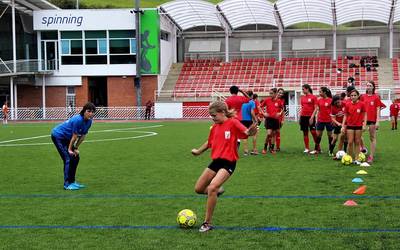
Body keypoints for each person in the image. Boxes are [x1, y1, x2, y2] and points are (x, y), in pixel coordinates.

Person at [191, 101, 257, 232]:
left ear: (222, 112)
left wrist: (250, 131)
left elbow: (245, 132)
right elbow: (209, 143)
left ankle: (207, 223)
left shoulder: (233, 122)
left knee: (212, 186)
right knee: (198, 189)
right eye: (211, 116)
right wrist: (198, 151)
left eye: (214, 115)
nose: (212, 118)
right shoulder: (215, 127)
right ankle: (217, 192)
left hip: (229, 162)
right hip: (216, 162)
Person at [51, 102, 96, 190]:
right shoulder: (78, 120)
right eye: (89, 111)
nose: (91, 113)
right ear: (84, 111)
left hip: (67, 138)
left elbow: (82, 136)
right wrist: (69, 149)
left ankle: (72, 181)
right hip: (58, 136)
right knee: (68, 158)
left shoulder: (89, 122)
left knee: (76, 157)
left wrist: (75, 148)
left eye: (93, 112)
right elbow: (74, 136)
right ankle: (67, 184)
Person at [360, 81, 385, 163]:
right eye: (367, 85)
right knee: (358, 135)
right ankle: (362, 148)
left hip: (372, 120)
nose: (368, 87)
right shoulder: (362, 96)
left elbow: (378, 110)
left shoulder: (376, 97)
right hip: (363, 120)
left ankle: (371, 156)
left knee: (372, 137)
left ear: (373, 87)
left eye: (370, 85)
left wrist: (378, 121)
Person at [341, 89, 367, 164]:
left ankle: (357, 159)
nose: (353, 97)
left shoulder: (362, 104)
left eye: (355, 95)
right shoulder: (347, 104)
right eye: (352, 95)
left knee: (357, 142)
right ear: (350, 96)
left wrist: (364, 124)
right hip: (350, 125)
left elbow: (365, 114)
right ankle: (349, 157)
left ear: (358, 96)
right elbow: (345, 115)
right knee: (350, 142)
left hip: (359, 126)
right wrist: (343, 126)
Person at [310, 87, 333, 155]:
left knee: (330, 136)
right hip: (320, 120)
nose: (319, 93)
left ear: (324, 92)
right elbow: (316, 109)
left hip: (329, 120)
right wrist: (312, 117)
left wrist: (334, 119)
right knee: (318, 135)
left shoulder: (331, 100)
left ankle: (330, 150)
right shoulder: (319, 100)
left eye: (320, 92)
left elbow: (332, 111)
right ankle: (316, 150)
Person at [261, 88, 283, 154]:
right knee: (269, 134)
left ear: (275, 93)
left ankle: (272, 149)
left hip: (276, 120)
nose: (270, 95)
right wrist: (263, 113)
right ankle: (265, 147)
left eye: (271, 93)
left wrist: (280, 113)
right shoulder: (267, 100)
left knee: (274, 135)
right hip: (269, 119)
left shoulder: (279, 101)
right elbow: (259, 106)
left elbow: (282, 109)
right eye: (269, 93)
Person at [299, 84, 318, 153]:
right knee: (305, 132)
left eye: (303, 89)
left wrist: (312, 117)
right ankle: (307, 148)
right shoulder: (302, 98)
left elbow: (316, 108)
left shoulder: (313, 97)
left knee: (313, 132)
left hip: (311, 117)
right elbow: (302, 108)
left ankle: (317, 147)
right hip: (303, 117)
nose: (302, 91)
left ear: (307, 89)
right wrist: (300, 117)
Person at [240, 91, 257, 156]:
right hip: (249, 120)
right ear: (252, 95)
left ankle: (245, 151)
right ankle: (254, 150)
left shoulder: (242, 102)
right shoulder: (252, 102)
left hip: (242, 120)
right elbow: (252, 112)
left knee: (245, 136)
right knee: (254, 134)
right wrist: (255, 120)